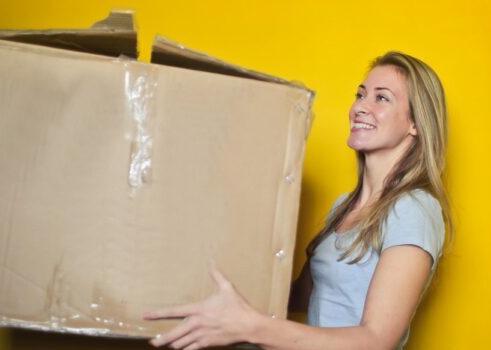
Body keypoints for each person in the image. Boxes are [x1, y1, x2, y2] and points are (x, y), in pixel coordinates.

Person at [144, 51, 452, 350]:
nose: (361, 107)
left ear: (416, 123)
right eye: (360, 95)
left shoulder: (413, 209)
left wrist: (251, 327)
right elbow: (295, 298)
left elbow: (376, 341)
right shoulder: (343, 207)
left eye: (381, 98)